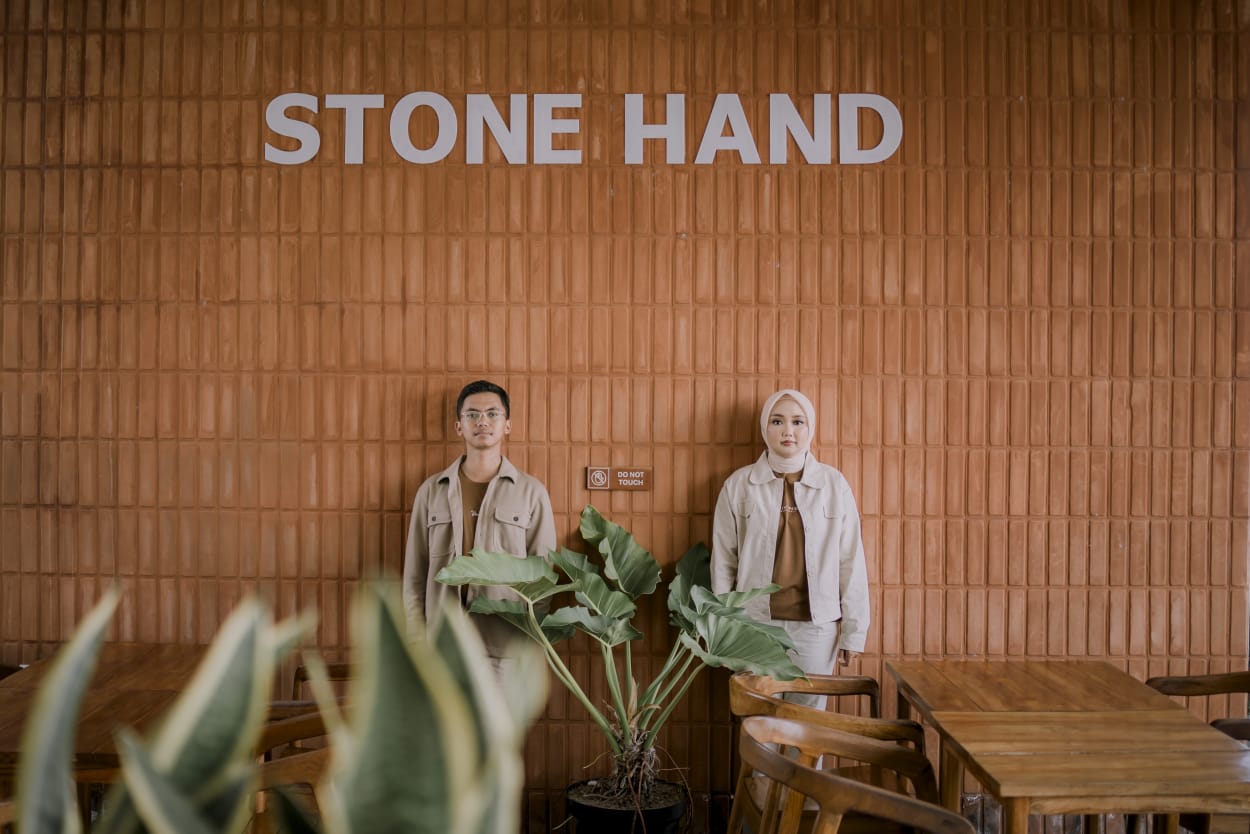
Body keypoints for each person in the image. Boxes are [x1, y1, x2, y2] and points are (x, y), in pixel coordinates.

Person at [711, 388, 870, 708]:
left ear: (810, 428)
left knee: (807, 724)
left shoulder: (834, 485)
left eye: (798, 422)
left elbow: (850, 560)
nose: (788, 431)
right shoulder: (739, 485)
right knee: (757, 721)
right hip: (753, 625)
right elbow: (723, 563)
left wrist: (854, 632)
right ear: (764, 428)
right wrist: (723, 629)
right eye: (777, 421)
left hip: (816, 629)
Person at [403, 379, 556, 679]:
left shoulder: (532, 493)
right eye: (472, 414)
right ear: (459, 426)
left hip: (505, 651)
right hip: (441, 649)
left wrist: (526, 643)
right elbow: (414, 576)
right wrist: (417, 642)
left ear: (507, 425)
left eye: (492, 414)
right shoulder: (431, 492)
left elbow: (544, 580)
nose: (482, 421)